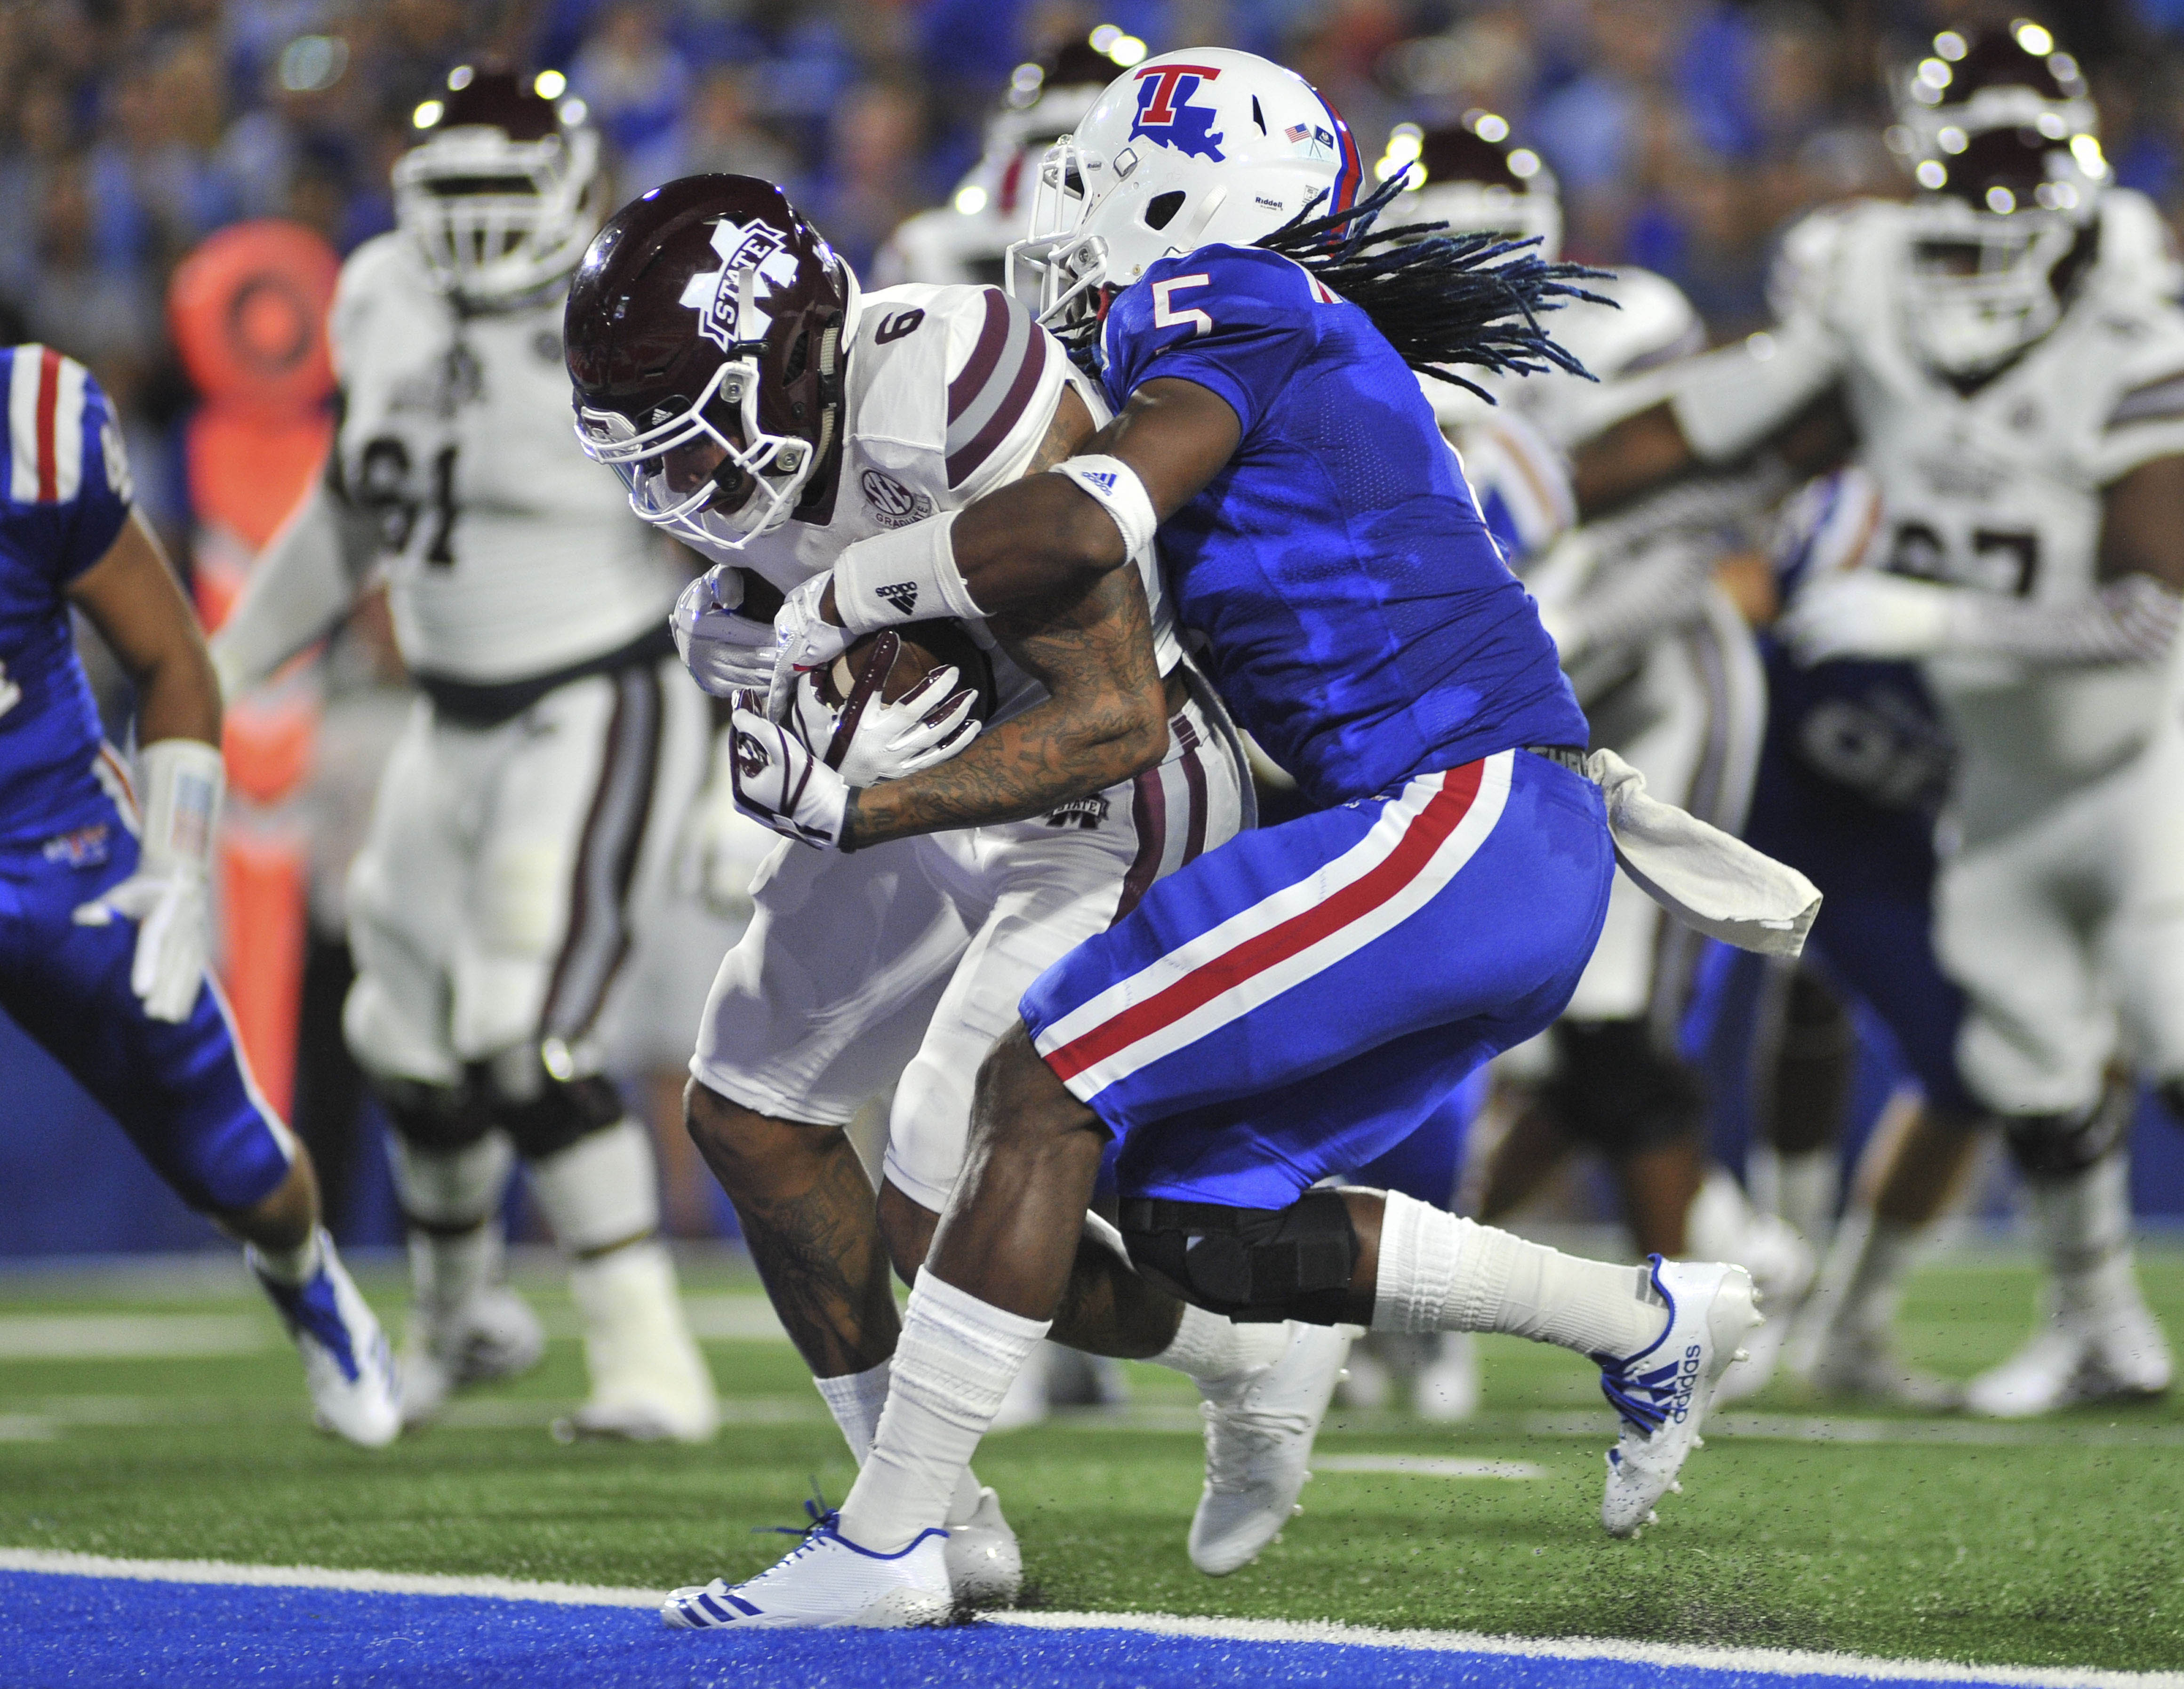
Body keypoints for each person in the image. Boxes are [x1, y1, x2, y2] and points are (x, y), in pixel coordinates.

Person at [659, 48, 1814, 1629]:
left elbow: (1078, 524)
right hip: (1472, 831)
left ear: (1192, 196)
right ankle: (1644, 1321)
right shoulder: (1265, 327)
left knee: (1042, 1086)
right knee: (1206, 1223)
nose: (1063, 215)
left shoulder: (1229, 297)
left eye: (1092, 176)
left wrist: (837, 601)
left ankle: (893, 1541)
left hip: (1459, 813)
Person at [562, 170, 1342, 1602]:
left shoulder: (951, 379)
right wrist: (730, 633)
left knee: (948, 1183)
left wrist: (851, 798)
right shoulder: (770, 453)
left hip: (1111, 797)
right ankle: (935, 1510)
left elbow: (1112, 713)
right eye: (652, 461)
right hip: (919, 802)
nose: (685, 490)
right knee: (750, 1104)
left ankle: (1229, 1362)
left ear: (797, 352)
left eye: (698, 443)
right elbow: (781, 582)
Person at [1572, 23, 2183, 1418]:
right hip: (2002, 781)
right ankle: (2099, 1325)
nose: (1979, 239)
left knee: (2170, 1018)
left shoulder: (2142, 330)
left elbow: (2160, 610)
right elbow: (1718, 435)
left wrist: (1934, 621)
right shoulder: (1873, 298)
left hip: (2138, 750)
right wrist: (1535, 493)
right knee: (2022, 1047)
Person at [210, 66, 718, 1442]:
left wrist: (758, 736)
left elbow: (751, 534)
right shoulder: (375, 289)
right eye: (459, 198)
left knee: (520, 1030)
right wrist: (223, 670)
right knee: (402, 1034)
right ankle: (461, 1320)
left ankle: (652, 1363)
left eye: (509, 195)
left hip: (598, 694)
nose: (483, 228)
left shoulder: (634, 306)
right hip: (449, 710)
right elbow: (349, 508)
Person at [1395, 113, 1807, 1408]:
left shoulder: (1625, 323)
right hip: (1491, 701)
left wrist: (1552, 622)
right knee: (1519, 1014)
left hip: (1652, 685)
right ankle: (1477, 1285)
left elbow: (1704, 508)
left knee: (1609, 1012)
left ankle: (1703, 1276)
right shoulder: (1365, 353)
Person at [0, 341, 398, 1445]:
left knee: (231, 1158)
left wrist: (173, 871)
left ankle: (310, 1282)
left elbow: (174, 656)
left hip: (53, 845)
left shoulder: (27, 429)